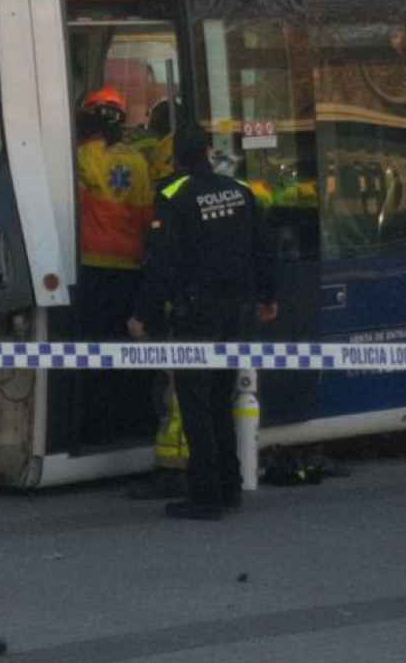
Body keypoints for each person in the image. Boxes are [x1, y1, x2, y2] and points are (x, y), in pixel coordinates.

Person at [128, 126, 278, 520]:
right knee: (221, 400)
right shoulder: (240, 190)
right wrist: (268, 297)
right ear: (209, 154)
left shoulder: (174, 197)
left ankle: (206, 496)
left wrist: (142, 314)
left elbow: (161, 264)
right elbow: (264, 247)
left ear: (176, 159)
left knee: (195, 405)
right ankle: (229, 487)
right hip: (238, 313)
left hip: (198, 315)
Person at [75, 86, 155, 443]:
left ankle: (94, 427)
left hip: (92, 268)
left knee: (93, 353)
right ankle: (130, 423)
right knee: (125, 353)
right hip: (130, 269)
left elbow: (85, 184)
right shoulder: (137, 161)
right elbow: (146, 216)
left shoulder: (84, 155)